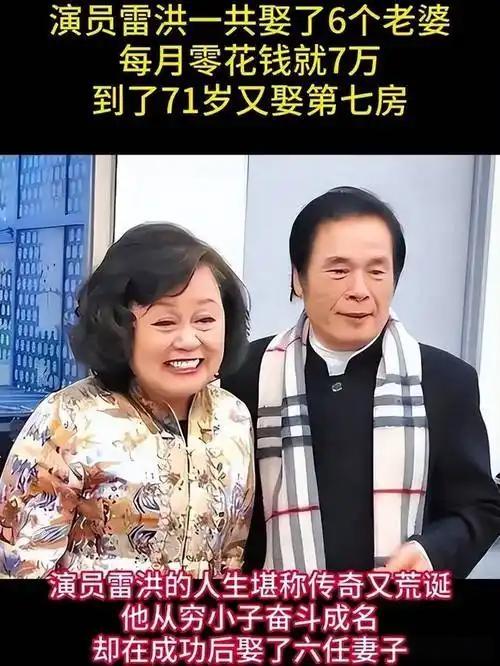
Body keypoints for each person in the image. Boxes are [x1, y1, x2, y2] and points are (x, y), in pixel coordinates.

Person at [222, 186, 500, 577]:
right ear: (298, 278)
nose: (359, 291)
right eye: (339, 271)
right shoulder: (244, 374)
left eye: (376, 271)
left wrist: (431, 552)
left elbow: (480, 507)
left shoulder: (444, 380)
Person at [0, 223, 254, 578]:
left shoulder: (233, 418)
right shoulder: (68, 419)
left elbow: (232, 555)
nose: (188, 340)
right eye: (165, 322)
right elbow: (19, 566)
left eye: (205, 319)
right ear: (117, 327)